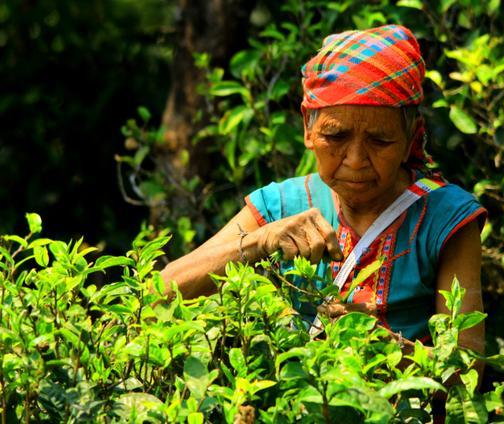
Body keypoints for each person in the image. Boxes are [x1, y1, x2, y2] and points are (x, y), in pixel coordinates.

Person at [160, 25, 486, 355]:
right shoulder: (279, 207)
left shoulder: (446, 219)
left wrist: (379, 346)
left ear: (410, 139)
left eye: (380, 141)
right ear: (308, 128)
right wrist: (260, 241)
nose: (356, 161)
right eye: (336, 136)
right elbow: (159, 293)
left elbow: (468, 367)